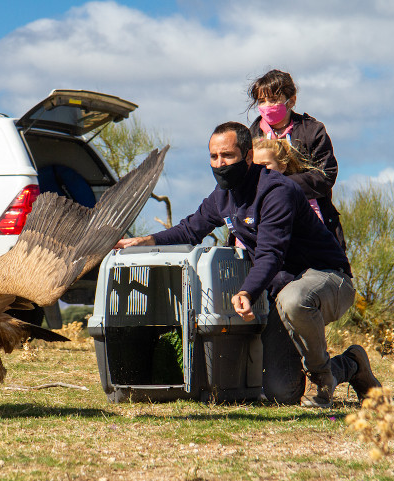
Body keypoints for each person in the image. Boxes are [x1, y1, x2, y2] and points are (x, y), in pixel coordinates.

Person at [116, 122, 380, 408]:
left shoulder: (277, 191)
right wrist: (148, 240)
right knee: (282, 393)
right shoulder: (223, 196)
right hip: (281, 287)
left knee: (295, 300)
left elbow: (271, 254)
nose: (220, 163)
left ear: (249, 156)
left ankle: (321, 380)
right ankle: (352, 365)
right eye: (214, 157)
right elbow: (190, 229)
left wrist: (247, 292)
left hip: (327, 277)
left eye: (228, 155)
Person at [247, 69, 345, 250]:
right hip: (265, 226)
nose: (267, 105)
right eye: (262, 101)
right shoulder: (250, 135)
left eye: (274, 99)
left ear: (291, 100)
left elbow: (326, 175)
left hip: (314, 223)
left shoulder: (313, 130)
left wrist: (280, 186)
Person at [252, 137, 323, 221]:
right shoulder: (250, 192)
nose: (260, 168)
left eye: (265, 164)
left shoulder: (296, 192)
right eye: (255, 164)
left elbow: (314, 224)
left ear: (282, 167)